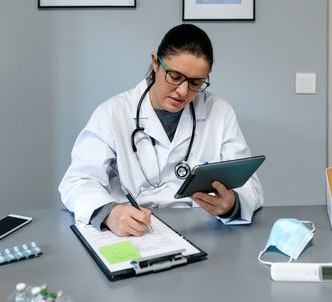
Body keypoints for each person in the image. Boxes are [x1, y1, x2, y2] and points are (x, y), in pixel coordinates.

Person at [59, 24, 263, 236]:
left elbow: (249, 186)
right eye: (175, 77)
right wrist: (109, 213)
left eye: (196, 82)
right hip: (133, 233)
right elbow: (77, 181)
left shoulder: (219, 112)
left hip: (201, 231)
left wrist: (231, 204)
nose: (183, 91)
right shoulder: (113, 113)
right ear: (155, 62)